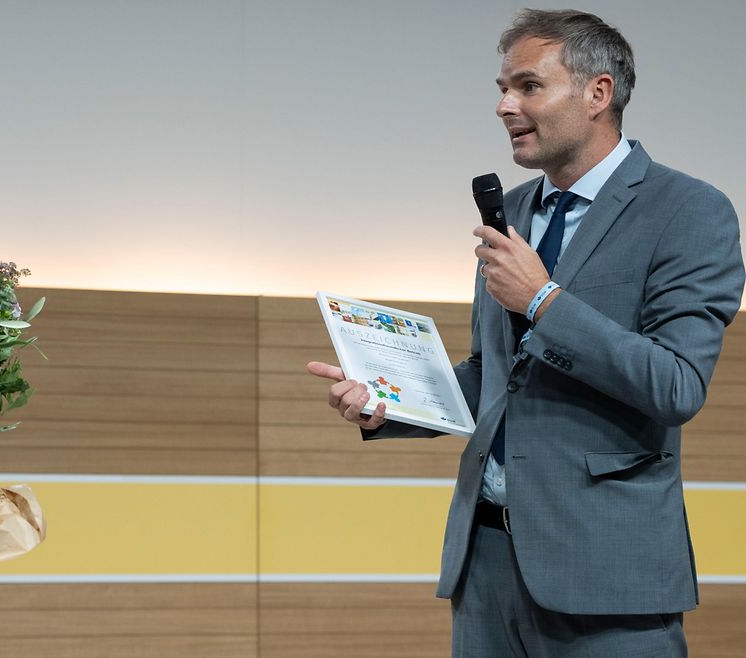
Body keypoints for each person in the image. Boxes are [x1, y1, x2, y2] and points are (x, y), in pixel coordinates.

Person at [308, 9, 744, 657]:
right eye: (500, 88)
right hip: (483, 568)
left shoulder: (688, 212)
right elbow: (492, 376)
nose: (505, 105)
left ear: (599, 93)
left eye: (528, 86)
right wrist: (386, 401)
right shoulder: (510, 211)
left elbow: (675, 384)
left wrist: (543, 299)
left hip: (605, 578)